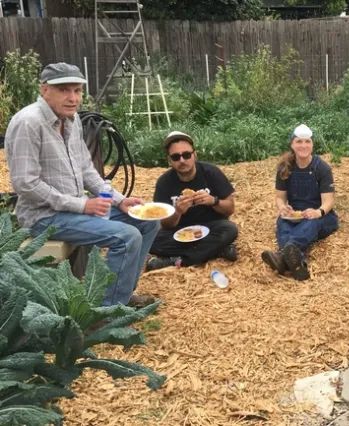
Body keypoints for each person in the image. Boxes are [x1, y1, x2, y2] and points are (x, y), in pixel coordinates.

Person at [4, 62, 158, 307]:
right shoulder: (29, 123)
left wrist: (120, 200)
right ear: (45, 90)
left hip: (73, 210)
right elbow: (26, 184)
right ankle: (105, 314)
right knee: (127, 236)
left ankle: (122, 295)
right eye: (64, 90)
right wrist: (81, 205)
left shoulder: (72, 120)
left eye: (77, 91)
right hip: (45, 217)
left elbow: (87, 170)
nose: (73, 98)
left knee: (146, 221)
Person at [146, 131, 238, 270]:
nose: (182, 160)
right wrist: (177, 212)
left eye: (186, 155)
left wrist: (214, 201)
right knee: (150, 241)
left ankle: (176, 260)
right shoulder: (164, 183)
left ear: (194, 155)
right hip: (179, 231)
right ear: (170, 160)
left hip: (212, 225)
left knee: (230, 229)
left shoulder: (211, 172)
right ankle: (216, 250)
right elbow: (165, 224)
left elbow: (230, 208)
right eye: (176, 157)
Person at [261, 124, 338, 281]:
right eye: (299, 141)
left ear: (312, 144)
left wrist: (318, 212)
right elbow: (280, 197)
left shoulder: (321, 168)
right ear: (292, 144)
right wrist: (283, 207)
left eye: (307, 141)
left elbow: (328, 201)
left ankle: (282, 258)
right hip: (294, 215)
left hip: (322, 215)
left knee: (311, 223)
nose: (303, 145)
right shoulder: (285, 167)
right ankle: (297, 263)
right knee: (282, 225)